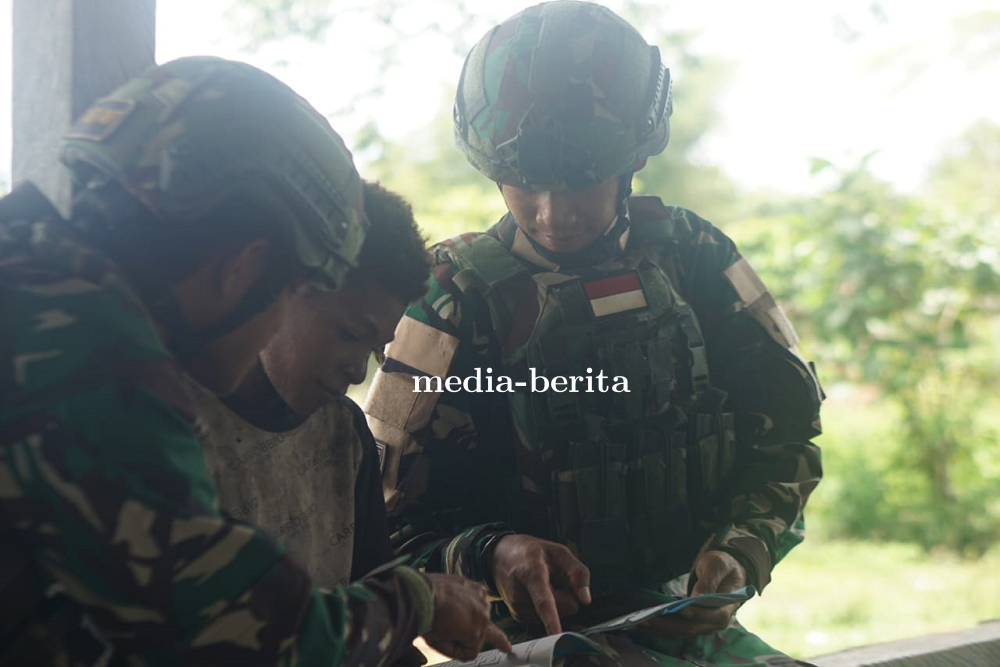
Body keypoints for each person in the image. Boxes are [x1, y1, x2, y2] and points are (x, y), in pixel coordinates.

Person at [0, 56, 507, 666]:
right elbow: (242, 636)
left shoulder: (35, 286)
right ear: (243, 268)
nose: (356, 369)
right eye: (294, 291)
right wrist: (418, 600)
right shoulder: (92, 363)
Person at [363, 2, 824, 665]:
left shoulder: (692, 258)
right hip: (530, 644)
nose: (553, 214)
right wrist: (492, 552)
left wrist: (742, 549)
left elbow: (786, 436)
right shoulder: (453, 297)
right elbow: (387, 525)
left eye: (582, 181)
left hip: (685, 625)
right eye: (524, 183)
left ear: (632, 158)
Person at [191, 179, 433, 630]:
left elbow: (380, 612)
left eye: (375, 349)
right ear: (289, 286)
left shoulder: (345, 434)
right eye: (349, 334)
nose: (358, 372)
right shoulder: (174, 426)